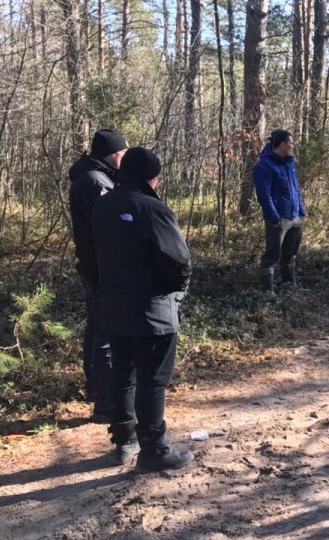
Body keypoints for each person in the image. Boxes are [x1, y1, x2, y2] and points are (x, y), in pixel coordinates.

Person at [91, 147, 193, 471]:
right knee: (153, 380)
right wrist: (177, 293)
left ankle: (124, 442)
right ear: (152, 178)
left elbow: (92, 256)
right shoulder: (154, 209)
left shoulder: (102, 206)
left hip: (114, 307)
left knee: (123, 374)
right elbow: (179, 261)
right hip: (153, 312)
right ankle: (154, 450)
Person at [68, 128, 129, 419]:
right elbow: (104, 227)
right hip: (101, 267)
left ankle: (97, 389)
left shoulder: (98, 176)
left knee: (97, 328)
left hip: (98, 264)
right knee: (106, 331)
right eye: (123, 152)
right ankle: (105, 401)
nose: (126, 157)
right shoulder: (94, 181)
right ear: (112, 154)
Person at [253, 129, 308, 294]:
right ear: (282, 145)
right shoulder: (264, 165)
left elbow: (296, 188)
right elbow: (264, 195)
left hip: (295, 216)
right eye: (290, 143)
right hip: (279, 219)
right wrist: (274, 217)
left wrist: (301, 211)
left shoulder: (289, 163)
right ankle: (267, 291)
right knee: (271, 257)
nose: (292, 146)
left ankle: (290, 286)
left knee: (290, 255)